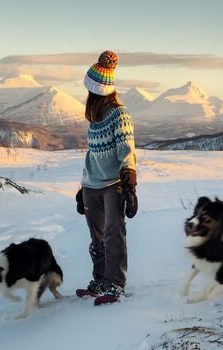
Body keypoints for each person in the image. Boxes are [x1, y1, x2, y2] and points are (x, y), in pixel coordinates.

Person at [75, 51, 137, 305]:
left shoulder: (119, 114)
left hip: (113, 184)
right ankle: (100, 279)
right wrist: (82, 187)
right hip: (92, 184)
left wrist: (129, 184)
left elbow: (127, 149)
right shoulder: (95, 118)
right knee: (97, 237)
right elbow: (94, 154)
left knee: (113, 233)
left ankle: (115, 284)